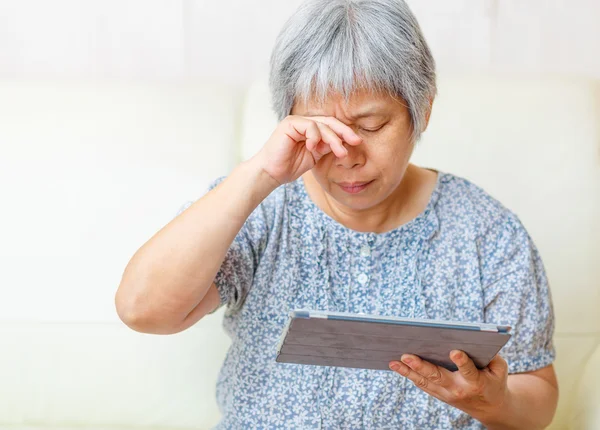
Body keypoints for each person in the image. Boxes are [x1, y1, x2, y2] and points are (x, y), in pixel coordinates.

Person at [115, 0, 559, 428]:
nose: (346, 156)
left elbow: (536, 401)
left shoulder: (487, 232)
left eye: (371, 127)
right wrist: (258, 176)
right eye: (320, 130)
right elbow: (143, 310)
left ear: (421, 109)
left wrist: (493, 401)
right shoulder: (260, 208)